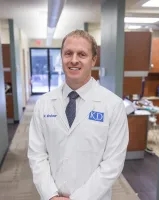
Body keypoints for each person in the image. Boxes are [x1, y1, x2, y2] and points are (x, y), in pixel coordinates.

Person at [28, 30, 129, 200]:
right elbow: (37, 155)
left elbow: (113, 164)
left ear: (93, 60)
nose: (74, 60)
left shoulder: (113, 105)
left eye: (82, 54)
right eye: (68, 53)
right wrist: (51, 195)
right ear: (61, 57)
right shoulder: (43, 104)